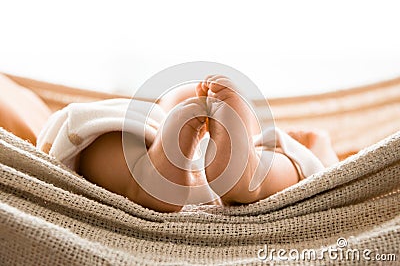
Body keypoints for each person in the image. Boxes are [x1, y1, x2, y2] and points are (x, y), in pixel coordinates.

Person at [0, 74, 338, 212]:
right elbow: (325, 165)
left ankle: (150, 178)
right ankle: (245, 175)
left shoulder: (137, 120)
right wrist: (308, 149)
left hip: (154, 150)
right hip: (215, 178)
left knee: (97, 140)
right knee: (292, 163)